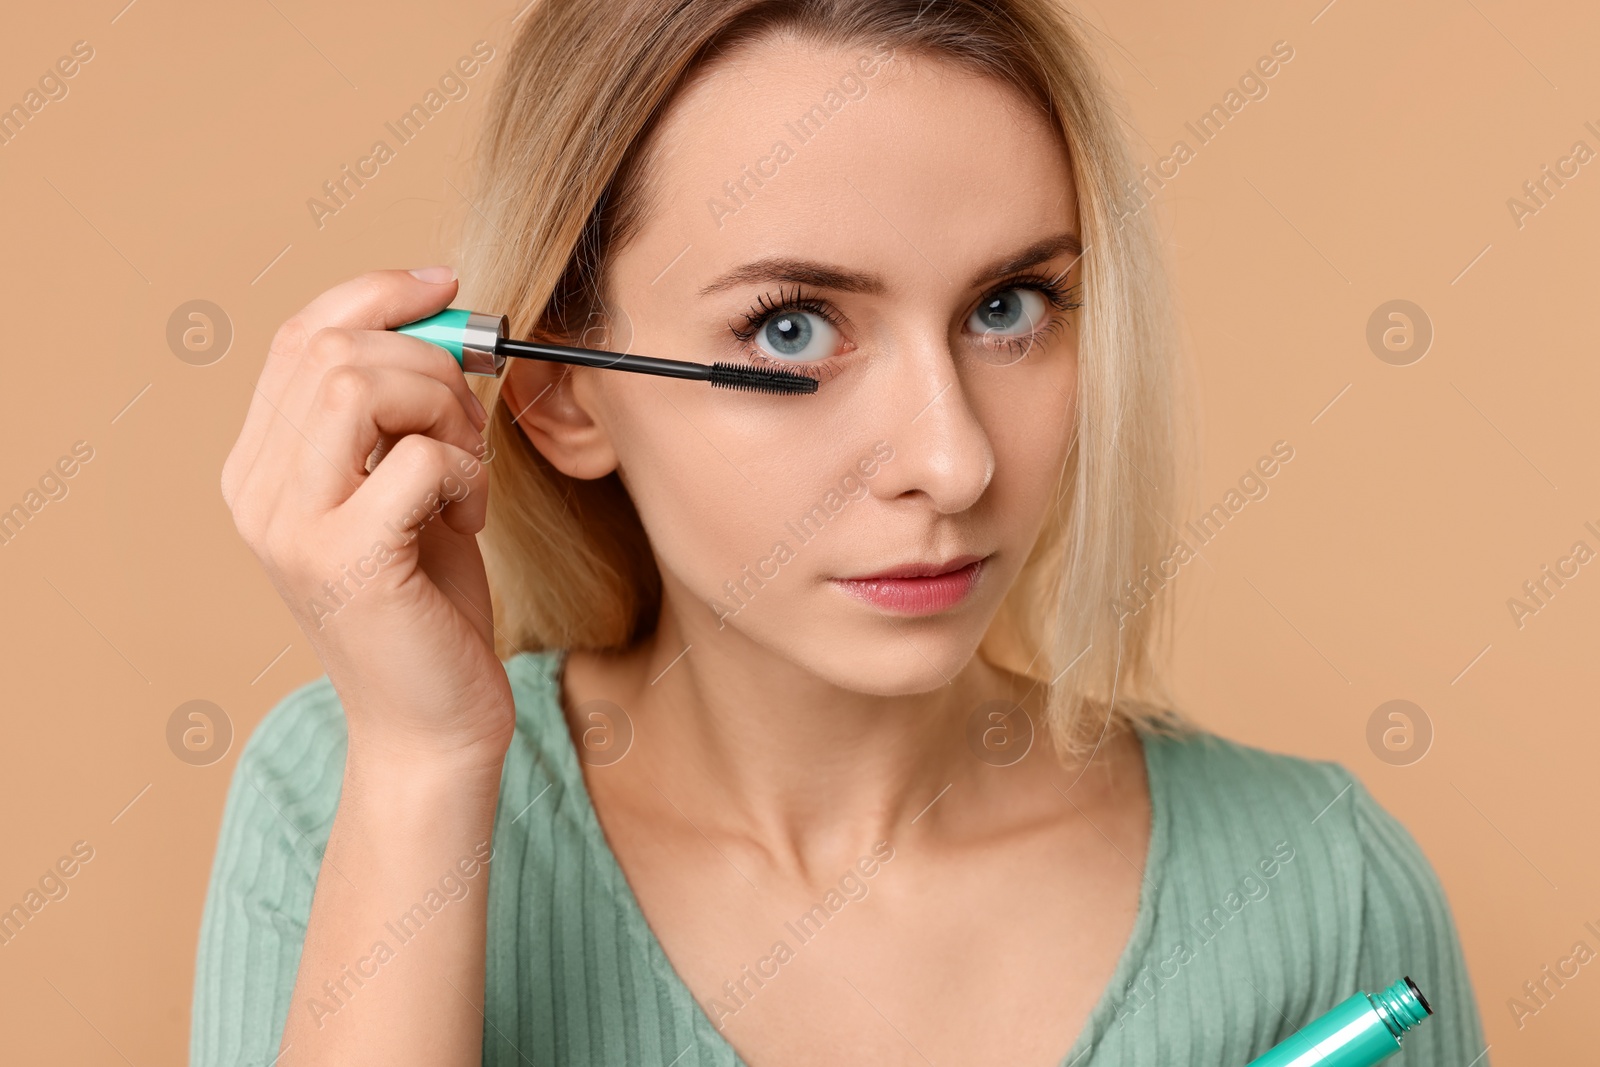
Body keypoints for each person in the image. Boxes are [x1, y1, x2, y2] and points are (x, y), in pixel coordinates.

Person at [193, 1, 1490, 1064]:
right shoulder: (347, 795)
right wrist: (426, 767)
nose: (954, 457)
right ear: (559, 393)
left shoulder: (1324, 894)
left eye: (1008, 306)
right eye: (791, 327)